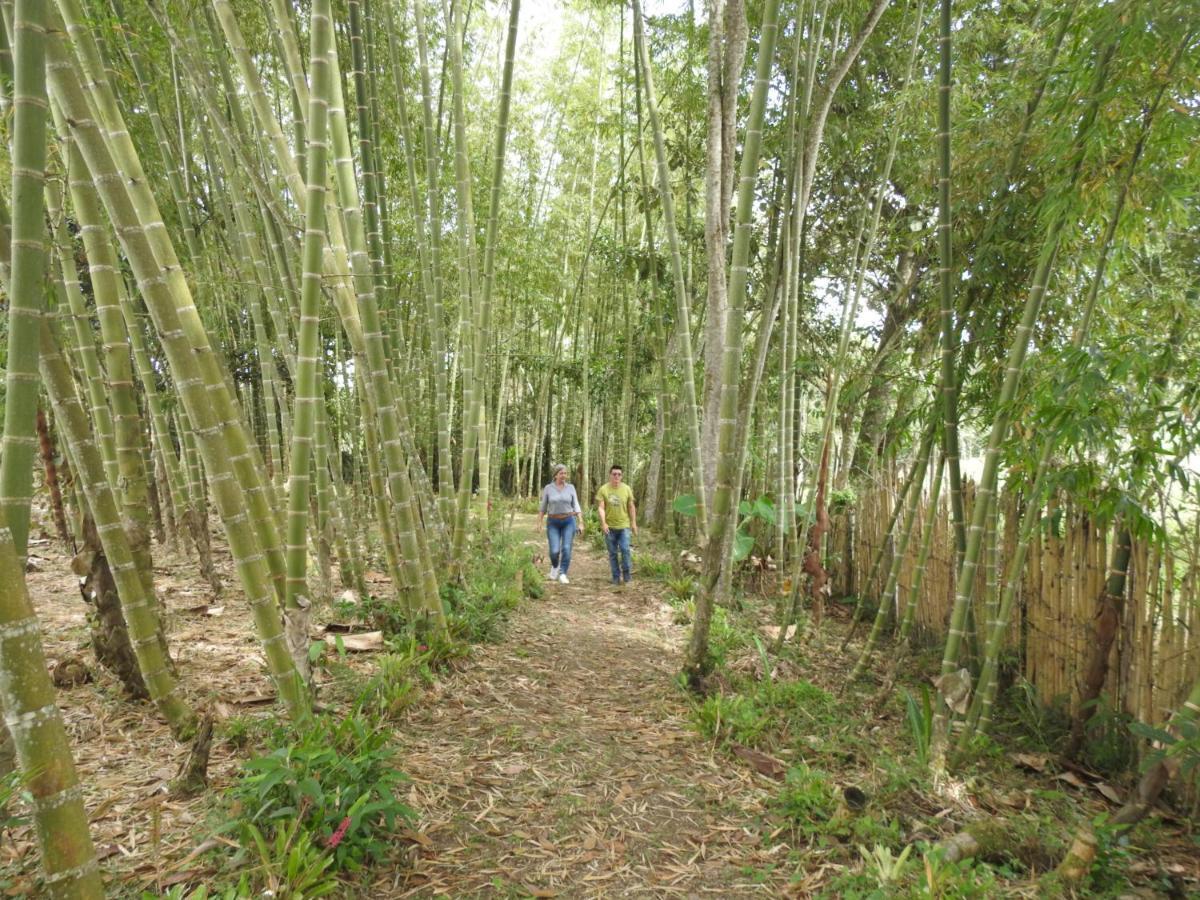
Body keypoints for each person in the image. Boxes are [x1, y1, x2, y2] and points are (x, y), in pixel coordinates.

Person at [539, 464, 583, 584]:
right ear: (556, 475)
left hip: (569, 521)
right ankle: (554, 566)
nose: (564, 476)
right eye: (561, 473)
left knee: (566, 548)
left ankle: (563, 573)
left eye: (565, 473)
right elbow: (543, 507)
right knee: (554, 551)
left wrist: (581, 522)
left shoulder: (571, 488)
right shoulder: (548, 488)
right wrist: (539, 523)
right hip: (553, 522)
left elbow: (576, 505)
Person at [596, 464, 637, 587]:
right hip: (610, 527)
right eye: (614, 474)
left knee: (625, 550)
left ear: (622, 476)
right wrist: (603, 523)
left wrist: (633, 523)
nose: (616, 476)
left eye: (619, 474)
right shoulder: (604, 489)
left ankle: (627, 578)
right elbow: (601, 508)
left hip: (624, 526)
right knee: (613, 553)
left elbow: (631, 506)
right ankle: (615, 578)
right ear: (610, 475)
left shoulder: (627, 489)